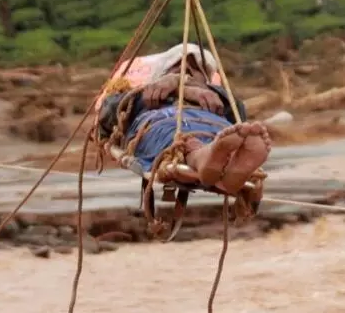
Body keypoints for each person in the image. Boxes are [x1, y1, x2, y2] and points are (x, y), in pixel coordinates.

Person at [97, 66, 269, 209]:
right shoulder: (143, 96)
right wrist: (176, 89)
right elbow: (108, 111)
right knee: (178, 143)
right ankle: (208, 161)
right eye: (176, 68)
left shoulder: (218, 97)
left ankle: (221, 163)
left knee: (220, 139)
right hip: (162, 121)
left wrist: (191, 87)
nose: (183, 73)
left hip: (213, 125)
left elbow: (238, 113)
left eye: (192, 71)